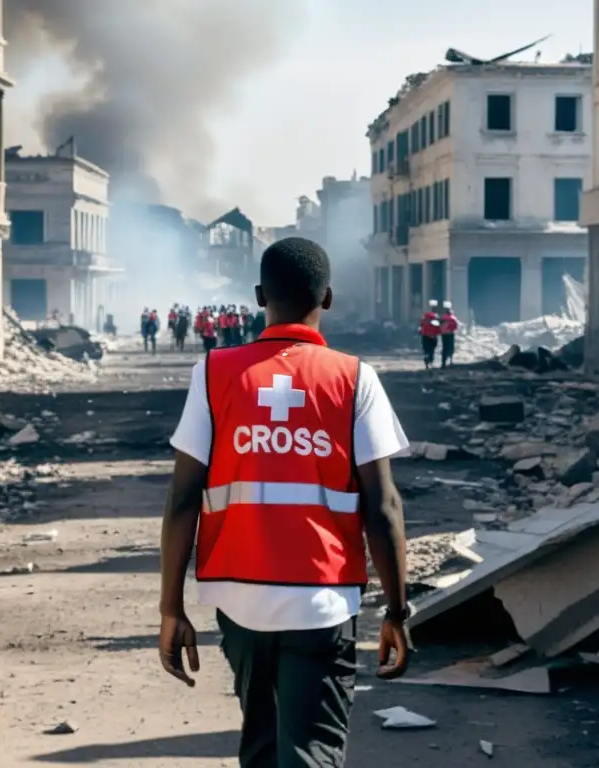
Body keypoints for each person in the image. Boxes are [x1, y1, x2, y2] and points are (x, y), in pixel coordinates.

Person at [159, 236, 411, 767]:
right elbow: (383, 507)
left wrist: (171, 608)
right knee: (311, 750)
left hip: (238, 597)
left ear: (258, 296)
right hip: (321, 597)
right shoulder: (354, 378)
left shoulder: (213, 373)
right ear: (329, 298)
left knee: (262, 743)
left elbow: (183, 499)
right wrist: (396, 609)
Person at [418, 299, 441, 370]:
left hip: (425, 336)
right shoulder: (435, 317)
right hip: (432, 336)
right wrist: (438, 333)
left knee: (426, 350)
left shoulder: (424, 317)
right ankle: (430, 362)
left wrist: (421, 332)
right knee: (431, 350)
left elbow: (421, 326)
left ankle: (426, 361)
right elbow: (437, 328)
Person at [440, 301, 459, 368]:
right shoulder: (453, 318)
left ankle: (443, 362)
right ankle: (451, 361)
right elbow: (456, 327)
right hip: (450, 334)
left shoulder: (443, 318)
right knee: (451, 347)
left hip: (444, 335)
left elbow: (439, 325)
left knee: (445, 348)